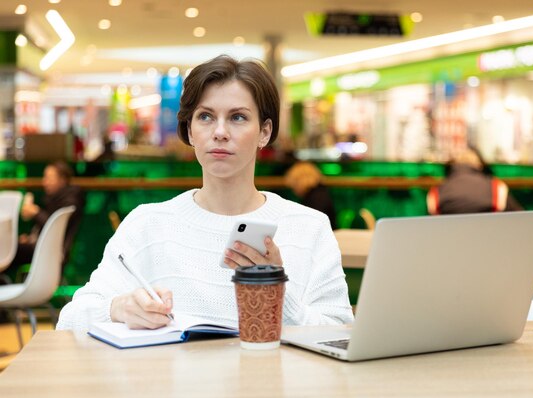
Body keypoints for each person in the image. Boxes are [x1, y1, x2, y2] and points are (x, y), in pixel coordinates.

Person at [57, 55, 354, 331]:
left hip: (273, 386)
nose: (220, 132)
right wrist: (118, 308)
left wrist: (275, 292)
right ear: (188, 131)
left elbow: (340, 331)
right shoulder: (148, 224)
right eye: (206, 117)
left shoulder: (308, 227)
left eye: (238, 117)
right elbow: (70, 320)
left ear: (264, 132)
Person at [8, 160, 85, 270]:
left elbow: (54, 227)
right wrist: (31, 239)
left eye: (49, 178)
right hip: (42, 248)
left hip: (51, 251)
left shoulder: (70, 202)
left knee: (7, 249)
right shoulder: (54, 199)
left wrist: (36, 212)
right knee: (8, 248)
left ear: (62, 180)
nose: (45, 182)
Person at [426, 146, 523, 215]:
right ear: (479, 165)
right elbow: (519, 217)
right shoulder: (496, 187)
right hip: (490, 239)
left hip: (450, 240)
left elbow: (431, 222)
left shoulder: (437, 191)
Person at [284, 161, 337, 229]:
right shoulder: (320, 193)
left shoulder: (315, 199)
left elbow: (311, 225)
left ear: (299, 182)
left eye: (294, 185)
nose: (293, 190)